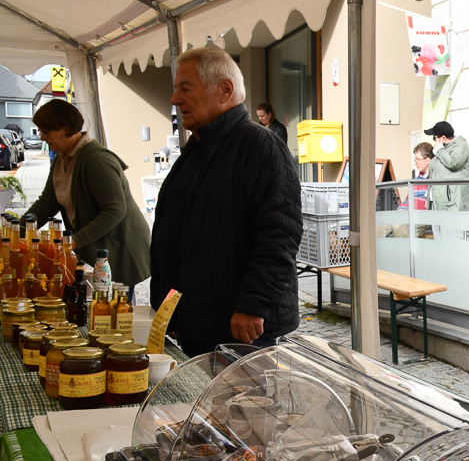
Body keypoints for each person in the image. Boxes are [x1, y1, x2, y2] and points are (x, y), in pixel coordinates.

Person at [151, 46, 302, 357]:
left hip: (238, 330)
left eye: (185, 88)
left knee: (241, 393)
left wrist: (252, 305)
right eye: (176, 89)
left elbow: (279, 235)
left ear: (225, 90)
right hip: (197, 321)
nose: (175, 99)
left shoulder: (260, 146)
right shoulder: (198, 148)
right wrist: (171, 309)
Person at [26, 99, 151, 287]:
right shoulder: (61, 159)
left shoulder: (96, 159)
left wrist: (75, 241)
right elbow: (47, 204)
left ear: (66, 129)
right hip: (98, 251)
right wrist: (16, 230)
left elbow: (115, 209)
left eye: (46, 132)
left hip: (119, 249)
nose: (42, 138)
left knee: (112, 303)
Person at [424, 121, 469, 211]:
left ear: (443, 138)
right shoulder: (443, 149)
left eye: (434, 138)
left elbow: (453, 163)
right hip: (439, 201)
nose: (434, 141)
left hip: (452, 203)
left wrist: (439, 149)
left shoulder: (460, 145)